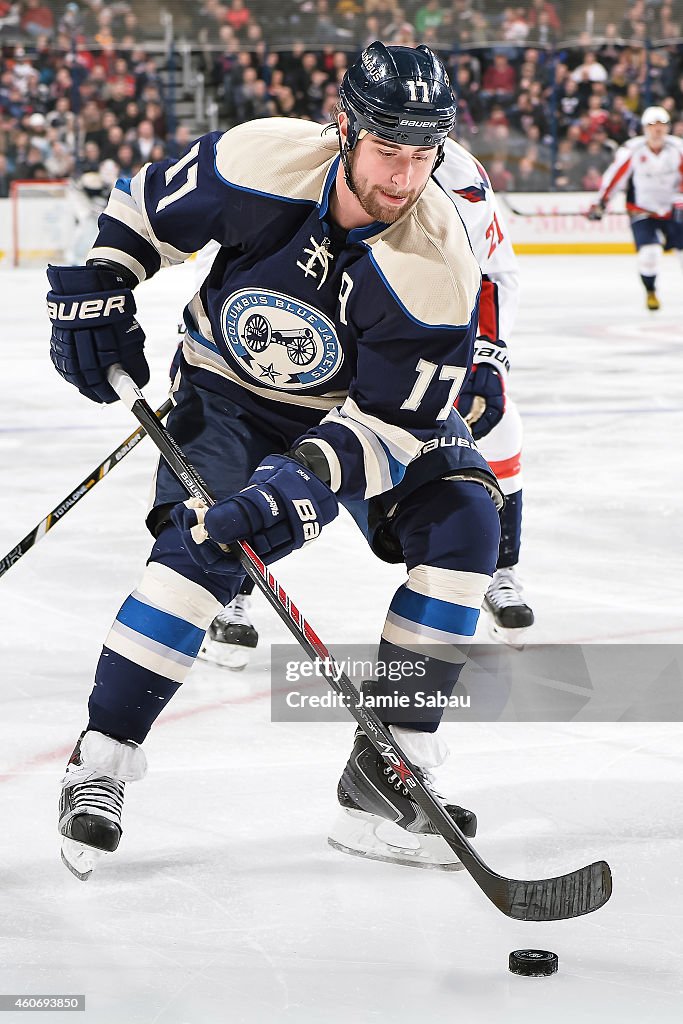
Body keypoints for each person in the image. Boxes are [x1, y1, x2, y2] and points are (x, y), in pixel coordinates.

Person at [47, 42, 503, 880]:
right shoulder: (259, 158)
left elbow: (393, 427)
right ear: (345, 127)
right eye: (388, 152)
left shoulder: (438, 266)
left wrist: (300, 483)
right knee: (197, 554)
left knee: (467, 524)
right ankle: (100, 762)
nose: (405, 178)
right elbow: (144, 210)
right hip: (228, 391)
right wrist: (104, 280)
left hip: (351, 417)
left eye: (423, 156)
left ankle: (386, 772)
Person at [199, 133, 534, 666]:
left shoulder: (466, 182)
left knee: (496, 431)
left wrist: (489, 360)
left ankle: (499, 569)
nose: (403, 165)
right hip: (313, 353)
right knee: (256, 454)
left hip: (404, 359)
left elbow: (490, 270)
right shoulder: (326, 162)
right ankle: (233, 591)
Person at [588, 106, 683, 310]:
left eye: (662, 125)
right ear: (644, 128)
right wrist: (601, 203)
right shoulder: (632, 150)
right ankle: (650, 291)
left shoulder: (678, 149)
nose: (657, 130)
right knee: (650, 254)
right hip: (642, 210)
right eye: (652, 125)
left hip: (673, 209)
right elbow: (614, 178)